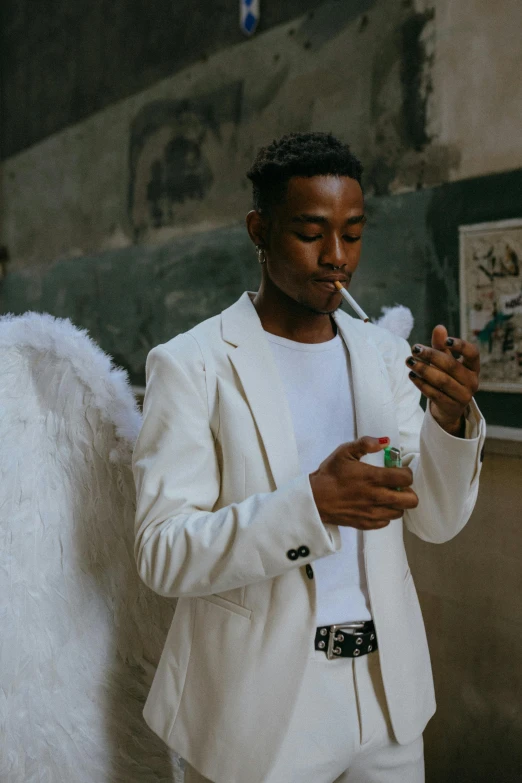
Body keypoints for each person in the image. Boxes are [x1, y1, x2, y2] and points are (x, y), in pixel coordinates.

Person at [132, 132, 485, 783]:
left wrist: (449, 420)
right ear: (258, 230)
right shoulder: (191, 365)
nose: (337, 258)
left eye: (352, 234)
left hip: (387, 702)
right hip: (259, 714)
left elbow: (433, 519)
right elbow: (161, 550)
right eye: (311, 232)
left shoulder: (382, 356)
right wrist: (310, 503)